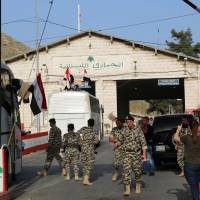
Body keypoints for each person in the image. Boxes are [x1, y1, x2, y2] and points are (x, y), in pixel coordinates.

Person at [118, 115, 147, 196]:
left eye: (130, 122)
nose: (128, 123)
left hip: (136, 154)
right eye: (127, 122)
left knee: (137, 171)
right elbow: (121, 140)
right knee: (126, 171)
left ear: (133, 121)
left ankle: (138, 184)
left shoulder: (138, 129)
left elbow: (143, 142)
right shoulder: (124, 130)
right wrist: (117, 143)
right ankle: (127, 189)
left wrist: (144, 154)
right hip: (127, 153)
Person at [180, 120, 200, 200]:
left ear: (190, 128)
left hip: (189, 166)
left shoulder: (186, 137)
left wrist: (178, 130)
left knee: (194, 186)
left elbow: (175, 138)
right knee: (196, 184)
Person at [78, 118, 99, 186]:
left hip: (83, 148)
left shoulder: (83, 128)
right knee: (90, 164)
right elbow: (96, 141)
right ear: (93, 124)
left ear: (88, 123)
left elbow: (77, 134)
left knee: (84, 163)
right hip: (90, 149)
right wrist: (91, 142)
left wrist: (81, 141)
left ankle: (85, 178)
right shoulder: (94, 131)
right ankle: (86, 180)